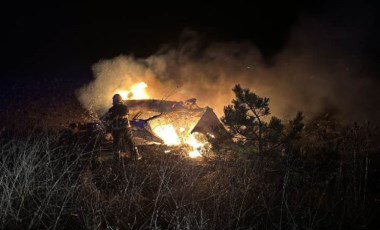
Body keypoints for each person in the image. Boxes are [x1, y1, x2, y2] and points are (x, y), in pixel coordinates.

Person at [103, 94, 140, 161]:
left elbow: (109, 121)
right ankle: (135, 156)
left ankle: (117, 158)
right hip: (126, 128)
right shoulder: (125, 107)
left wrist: (108, 132)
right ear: (120, 100)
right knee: (130, 141)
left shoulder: (111, 110)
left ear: (114, 100)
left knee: (116, 143)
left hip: (117, 129)